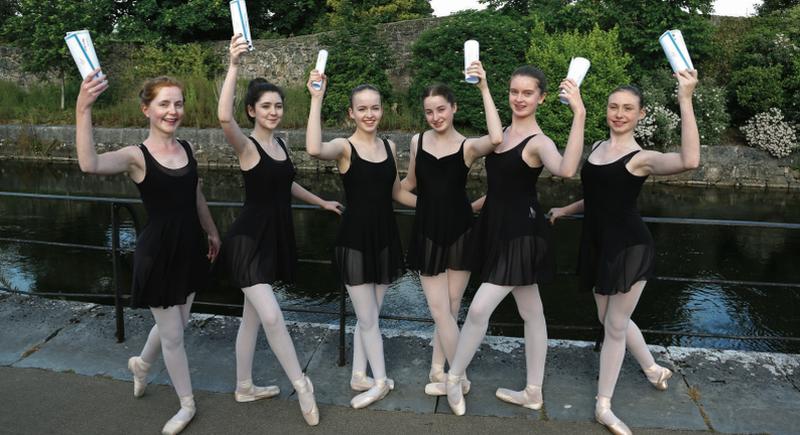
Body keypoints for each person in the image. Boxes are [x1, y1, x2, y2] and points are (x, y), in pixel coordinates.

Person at [548, 70, 699, 435]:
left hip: (629, 246)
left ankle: (604, 405)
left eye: (628, 108)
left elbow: (689, 160)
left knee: (615, 325)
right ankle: (652, 368)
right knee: (611, 319)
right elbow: (599, 197)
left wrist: (686, 99)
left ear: (641, 114)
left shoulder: (641, 157)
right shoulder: (598, 147)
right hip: (598, 244)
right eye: (614, 106)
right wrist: (566, 211)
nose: (619, 113)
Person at [76, 70, 221, 435]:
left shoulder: (186, 148)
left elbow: (195, 194)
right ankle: (186, 404)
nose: (173, 111)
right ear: (146, 110)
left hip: (189, 248)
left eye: (178, 103)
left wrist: (212, 231)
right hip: (158, 253)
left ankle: (140, 364)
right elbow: (89, 164)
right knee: (173, 336)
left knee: (177, 323)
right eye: (164, 104)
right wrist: (83, 109)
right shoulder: (136, 156)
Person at [445, 66, 587, 416]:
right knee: (532, 311)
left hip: (522, 235)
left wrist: (579, 113)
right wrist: (467, 210)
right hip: (495, 228)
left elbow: (567, 169)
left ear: (541, 97)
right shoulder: (502, 133)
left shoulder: (539, 142)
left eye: (527, 93)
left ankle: (453, 378)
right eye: (514, 92)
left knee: (478, 309)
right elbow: (498, 191)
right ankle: (534, 392)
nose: (519, 98)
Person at [216, 34, 342, 426]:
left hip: (273, 238)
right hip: (247, 241)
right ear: (252, 111)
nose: (274, 111)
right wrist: (234, 65)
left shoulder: (282, 146)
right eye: (266, 106)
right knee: (272, 317)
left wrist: (320, 201)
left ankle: (244, 385)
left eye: (278, 106)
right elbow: (223, 118)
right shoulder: (248, 146)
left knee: (251, 319)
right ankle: (301, 384)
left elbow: (285, 183)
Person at [305, 70, 417, 409]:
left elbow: (397, 192)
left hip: (385, 239)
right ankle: (380, 382)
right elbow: (312, 148)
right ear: (351, 113)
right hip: (354, 241)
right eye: (362, 109)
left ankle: (358, 374)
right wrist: (315, 98)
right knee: (368, 319)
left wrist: (441, 207)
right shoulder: (344, 147)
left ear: (383, 110)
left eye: (375, 108)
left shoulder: (388, 146)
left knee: (371, 314)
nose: (370, 114)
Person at [400, 62, 502, 395]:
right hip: (428, 230)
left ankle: (438, 369)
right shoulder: (417, 141)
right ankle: (459, 377)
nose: (435, 117)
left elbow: (498, 137)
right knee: (439, 308)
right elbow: (409, 185)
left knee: (453, 305)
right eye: (429, 111)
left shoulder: (469, 146)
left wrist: (484, 87)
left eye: (441, 109)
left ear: (453, 108)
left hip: (460, 231)